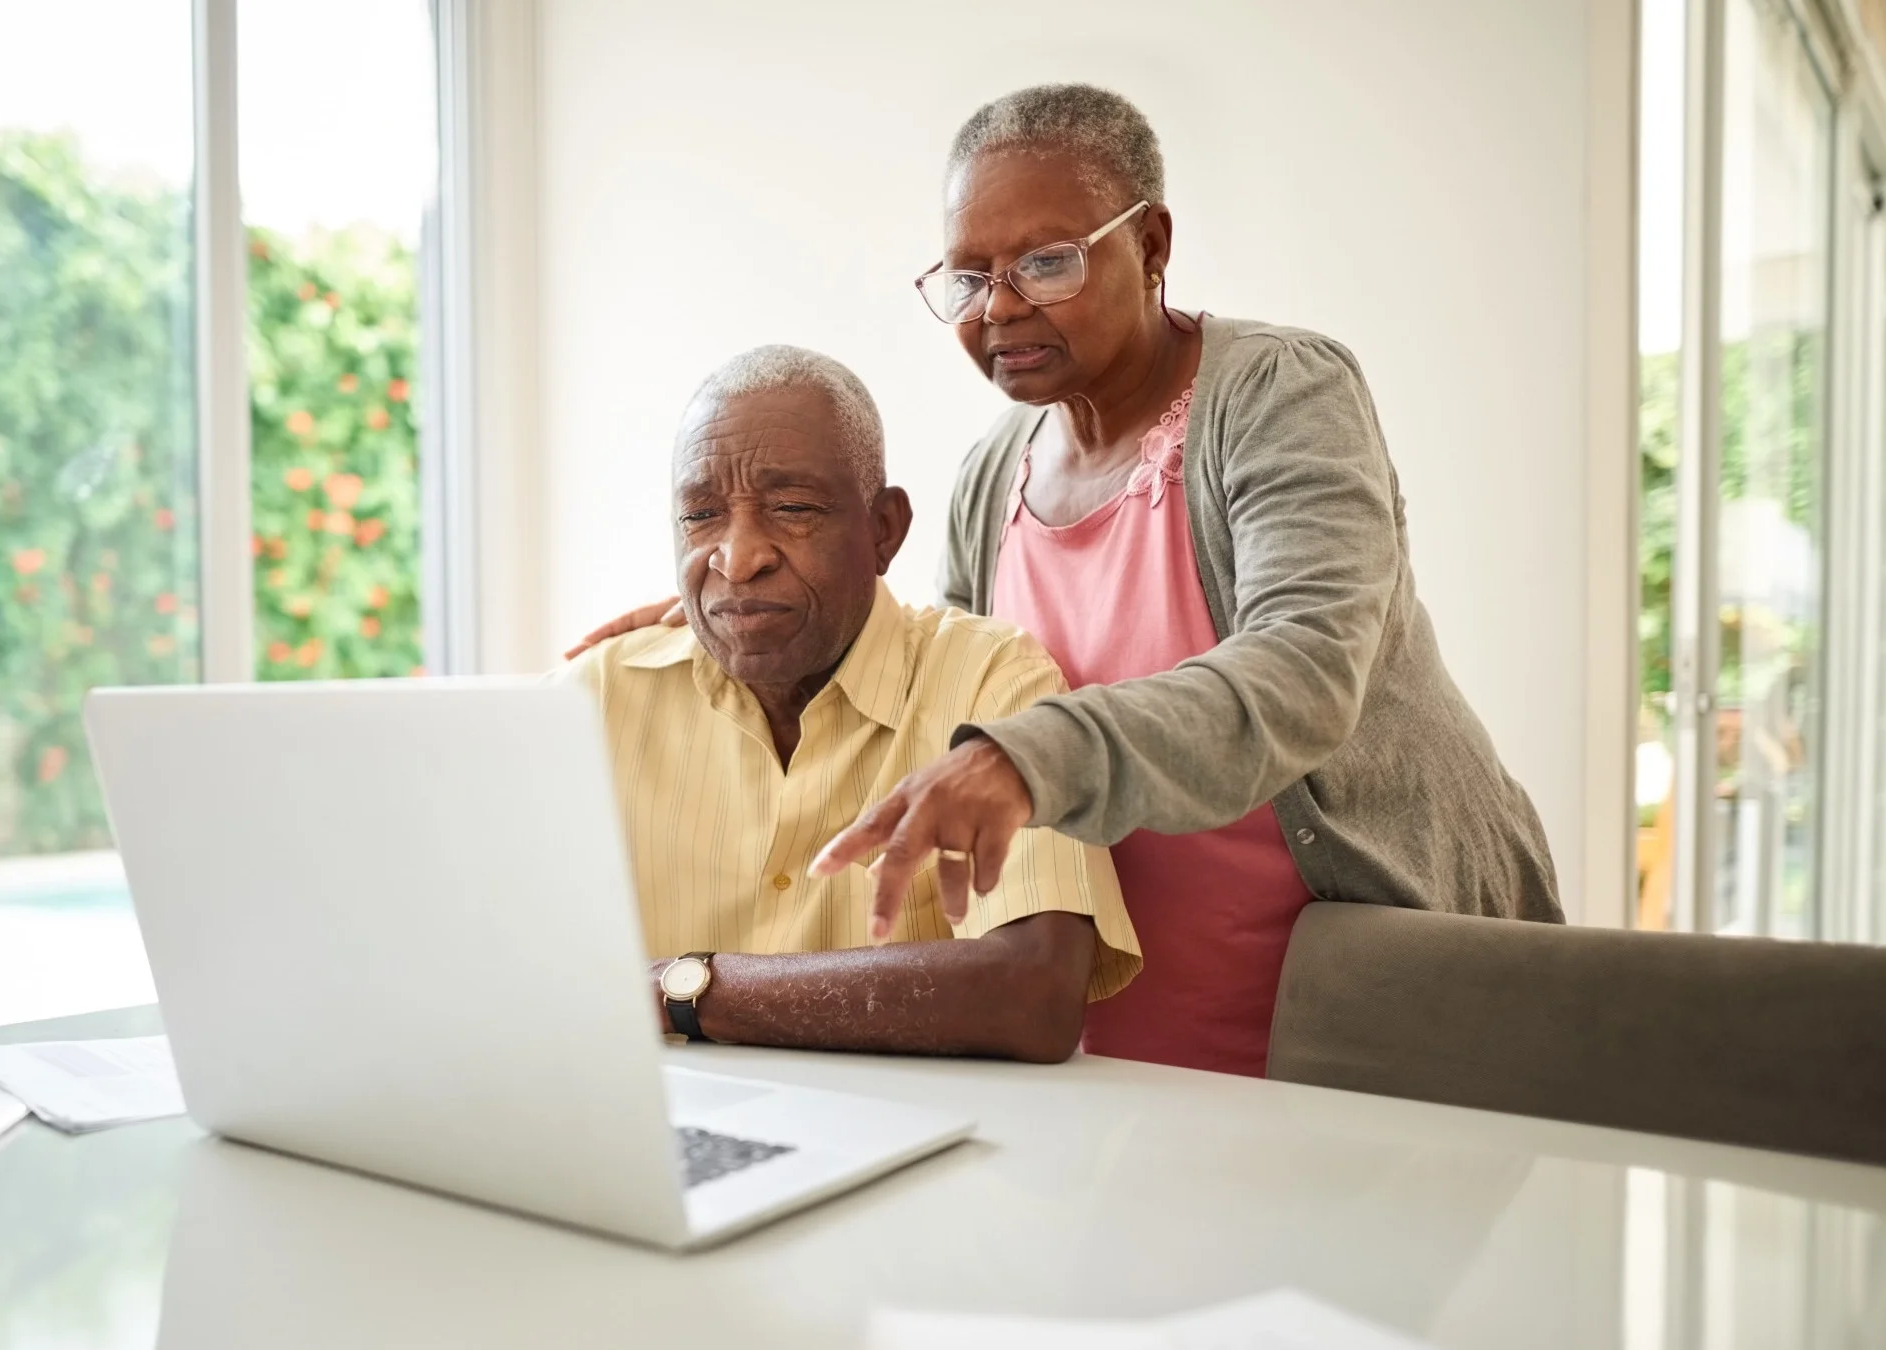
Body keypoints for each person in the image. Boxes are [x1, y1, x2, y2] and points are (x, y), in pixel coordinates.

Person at [570, 85, 1561, 1078]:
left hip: (1356, 983)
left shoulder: (1278, 393)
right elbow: (931, 683)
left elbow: (1305, 669)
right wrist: (748, 603)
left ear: (1153, 244)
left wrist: (1027, 759)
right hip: (1137, 1020)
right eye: (969, 276)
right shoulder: (995, 472)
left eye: (1047, 262)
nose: (1000, 306)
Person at [563, 344, 1140, 1064]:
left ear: (884, 531)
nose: (737, 558)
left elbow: (1033, 993)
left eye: (793, 509)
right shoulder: (596, 697)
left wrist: (691, 991)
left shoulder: (989, 681)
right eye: (702, 515)